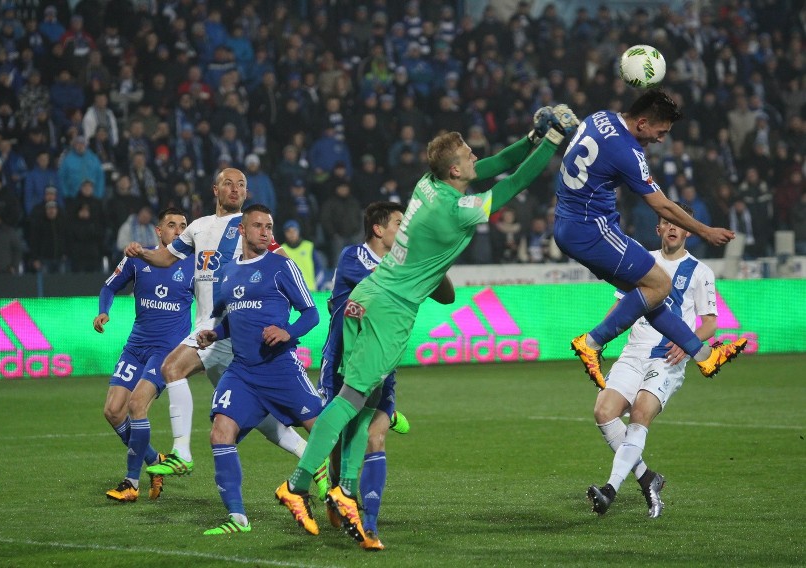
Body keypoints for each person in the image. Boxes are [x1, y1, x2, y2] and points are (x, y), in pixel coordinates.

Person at [275, 105, 577, 548]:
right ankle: (297, 484)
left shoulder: (428, 183)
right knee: (352, 398)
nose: (476, 158)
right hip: (392, 309)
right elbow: (511, 183)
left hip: (370, 294)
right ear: (455, 168)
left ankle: (345, 489)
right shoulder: (455, 211)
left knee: (368, 398)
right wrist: (552, 144)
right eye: (468, 155)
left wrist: (533, 138)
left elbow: (492, 166)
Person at [123, 169, 327, 492]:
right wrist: (143, 253)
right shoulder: (198, 227)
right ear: (215, 189)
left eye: (242, 185)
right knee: (260, 417)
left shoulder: (249, 228)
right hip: (214, 330)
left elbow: (281, 264)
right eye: (229, 184)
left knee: (171, 368)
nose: (236, 189)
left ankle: (182, 452)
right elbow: (166, 257)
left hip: (225, 329)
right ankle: (313, 460)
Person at [553, 90, 747, 390]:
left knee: (649, 295)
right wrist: (705, 231)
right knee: (660, 285)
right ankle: (591, 342)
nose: (661, 139)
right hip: (592, 229)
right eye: (661, 132)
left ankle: (705, 355)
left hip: (568, 224)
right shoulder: (628, 153)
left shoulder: (599, 117)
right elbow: (663, 206)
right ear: (642, 123)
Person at [195, 205, 322, 535]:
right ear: (242, 230)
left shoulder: (282, 266)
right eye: (259, 226)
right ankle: (237, 518)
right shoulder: (228, 273)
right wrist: (215, 333)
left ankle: (339, 496)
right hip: (243, 373)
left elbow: (311, 314)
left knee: (325, 433)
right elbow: (231, 320)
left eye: (269, 226)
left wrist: (287, 332)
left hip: (281, 368)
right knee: (220, 433)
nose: (266, 232)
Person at [586, 203, 718, 518]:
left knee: (641, 413)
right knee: (603, 411)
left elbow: (710, 322)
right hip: (633, 353)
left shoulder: (700, 271)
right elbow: (620, 308)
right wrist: (597, 340)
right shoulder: (640, 263)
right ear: (658, 228)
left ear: (687, 229)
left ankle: (610, 490)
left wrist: (688, 343)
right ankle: (648, 479)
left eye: (678, 224)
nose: (672, 228)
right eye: (666, 222)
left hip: (667, 357)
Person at [316, 201, 413, 550]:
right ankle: (339, 491)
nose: (405, 230)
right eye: (400, 223)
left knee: (375, 436)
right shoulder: (353, 257)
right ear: (378, 228)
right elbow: (384, 288)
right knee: (341, 438)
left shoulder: (403, 263)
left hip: (382, 365)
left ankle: (368, 522)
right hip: (343, 361)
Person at [94, 207, 194, 502]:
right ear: (158, 232)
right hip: (136, 347)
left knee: (137, 404)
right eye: (172, 225)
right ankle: (154, 460)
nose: (179, 230)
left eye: (183, 226)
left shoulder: (194, 265)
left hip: (166, 353)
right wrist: (103, 312)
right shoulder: (137, 260)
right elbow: (109, 287)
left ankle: (131, 482)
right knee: (113, 411)